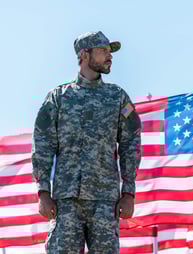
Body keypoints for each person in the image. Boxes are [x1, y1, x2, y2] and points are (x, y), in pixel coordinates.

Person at [32, 31, 141, 254]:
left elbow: (131, 144)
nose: (110, 56)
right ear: (84, 54)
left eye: (110, 52)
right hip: (66, 201)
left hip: (105, 201)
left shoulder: (117, 97)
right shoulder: (58, 98)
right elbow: (43, 144)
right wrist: (43, 191)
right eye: (103, 51)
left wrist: (128, 193)